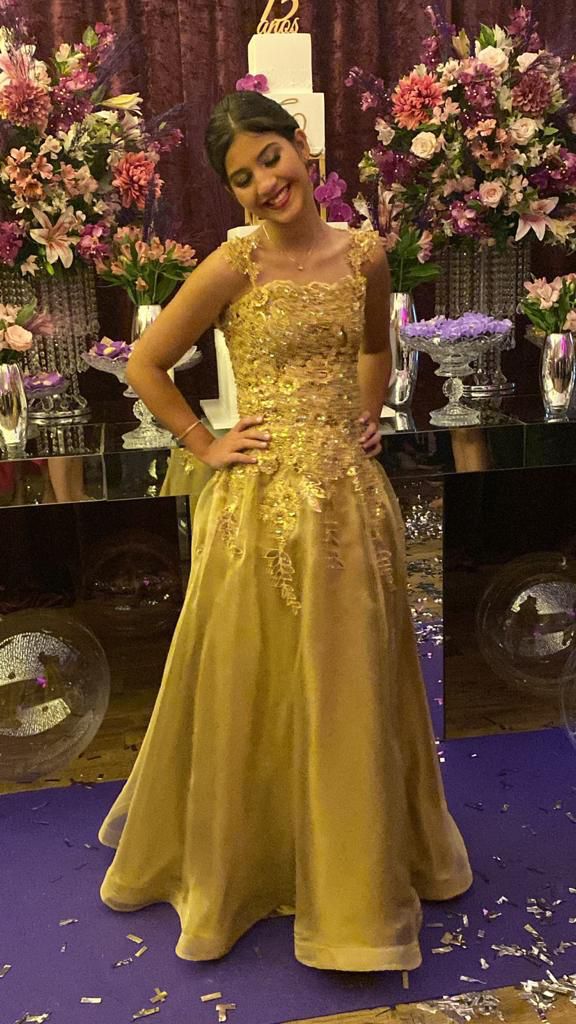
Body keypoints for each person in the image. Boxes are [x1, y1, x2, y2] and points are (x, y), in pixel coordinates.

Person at [98, 91, 472, 972]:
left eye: (271, 158)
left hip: (350, 503)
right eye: (242, 178)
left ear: (301, 147)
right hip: (258, 510)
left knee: (350, 686)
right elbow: (146, 363)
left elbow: (375, 346)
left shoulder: (365, 253)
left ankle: (352, 869)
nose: (265, 184)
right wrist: (204, 441)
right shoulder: (234, 264)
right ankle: (248, 862)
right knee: (253, 687)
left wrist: (366, 412)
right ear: (232, 193)